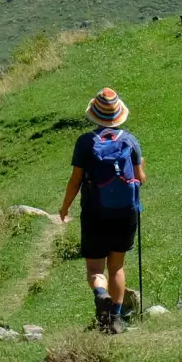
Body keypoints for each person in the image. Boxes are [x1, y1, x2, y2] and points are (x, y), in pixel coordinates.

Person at [58, 87, 146, 335]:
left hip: (95, 212)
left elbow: (75, 180)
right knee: (116, 266)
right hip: (125, 212)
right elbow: (140, 178)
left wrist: (65, 207)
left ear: (94, 115)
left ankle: (101, 294)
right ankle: (115, 320)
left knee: (95, 269)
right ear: (118, 115)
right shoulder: (130, 141)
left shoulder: (86, 142)